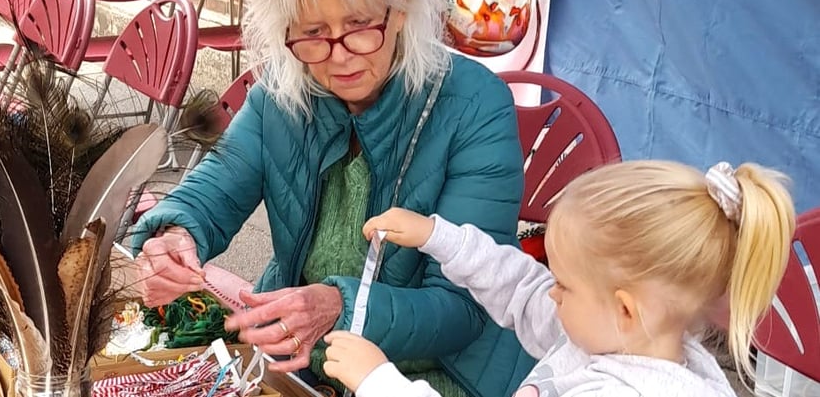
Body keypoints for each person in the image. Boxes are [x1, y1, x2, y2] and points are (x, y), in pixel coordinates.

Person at [132, 0, 535, 397]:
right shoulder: (279, 97)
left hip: (434, 373)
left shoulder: (473, 105)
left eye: (359, 28)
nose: (339, 57)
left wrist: (339, 306)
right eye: (314, 33)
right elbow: (210, 192)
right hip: (301, 356)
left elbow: (467, 307)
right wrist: (176, 235)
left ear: (402, 11)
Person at [322, 160, 796, 397]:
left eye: (564, 283)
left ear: (626, 308)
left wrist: (381, 381)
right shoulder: (617, 335)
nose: (552, 289)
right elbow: (522, 289)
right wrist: (437, 236)